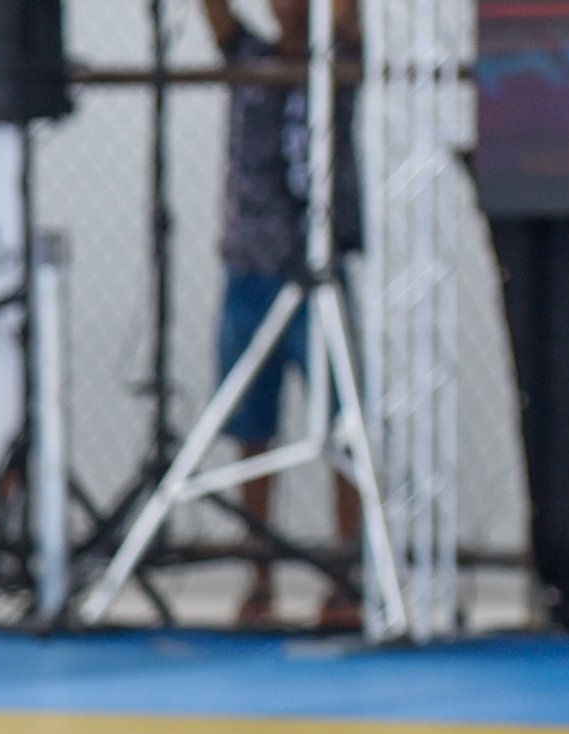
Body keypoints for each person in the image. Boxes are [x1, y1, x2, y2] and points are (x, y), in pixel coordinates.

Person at [205, 0, 363, 631]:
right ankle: (258, 573)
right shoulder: (247, 57)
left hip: (319, 269)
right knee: (250, 427)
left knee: (342, 426)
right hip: (249, 270)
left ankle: (345, 572)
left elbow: (350, 17)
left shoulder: (340, 57)